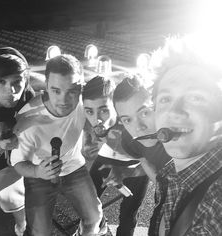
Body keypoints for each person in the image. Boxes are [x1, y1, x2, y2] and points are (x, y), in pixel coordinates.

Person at [10, 55, 106, 236]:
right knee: (40, 232)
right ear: (45, 86)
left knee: (95, 217)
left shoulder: (83, 104)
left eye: (72, 91)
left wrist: (95, 136)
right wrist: (38, 172)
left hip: (74, 166)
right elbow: (17, 163)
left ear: (81, 88)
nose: (64, 100)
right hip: (38, 174)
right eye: (56, 91)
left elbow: (103, 115)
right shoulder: (27, 118)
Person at [148, 35, 222, 235]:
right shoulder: (171, 174)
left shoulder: (215, 206)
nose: (174, 111)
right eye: (166, 98)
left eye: (195, 97)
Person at [82, 76, 148, 236]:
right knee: (87, 199)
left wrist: (124, 171)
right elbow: (85, 128)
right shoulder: (90, 120)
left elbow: (149, 163)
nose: (96, 119)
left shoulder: (132, 124)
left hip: (136, 167)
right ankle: (98, 225)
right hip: (106, 160)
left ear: (117, 107)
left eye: (104, 110)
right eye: (89, 111)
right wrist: (86, 143)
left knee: (128, 213)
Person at [0, 47, 35, 236]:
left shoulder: (29, 103)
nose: (11, 91)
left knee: (12, 215)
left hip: (6, 171)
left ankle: (21, 226)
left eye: (17, 82)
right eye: (1, 82)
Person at [113, 75, 171, 183]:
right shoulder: (129, 141)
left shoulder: (183, 139)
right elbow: (145, 162)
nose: (139, 128)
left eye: (144, 113)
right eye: (128, 120)